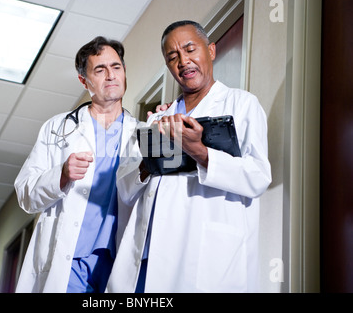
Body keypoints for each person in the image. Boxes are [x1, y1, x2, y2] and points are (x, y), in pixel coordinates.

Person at [106, 20, 272, 293]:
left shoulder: (242, 105)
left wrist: (199, 151)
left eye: (190, 49)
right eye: (173, 57)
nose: (183, 61)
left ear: (211, 51)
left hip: (205, 256)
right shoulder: (156, 119)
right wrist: (149, 164)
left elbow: (258, 177)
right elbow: (124, 187)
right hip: (149, 253)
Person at [14, 36, 138, 293]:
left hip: (116, 260)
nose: (111, 76)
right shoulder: (58, 128)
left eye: (116, 67)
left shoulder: (143, 133)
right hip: (69, 260)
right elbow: (25, 193)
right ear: (84, 81)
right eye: (100, 70)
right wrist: (60, 176)